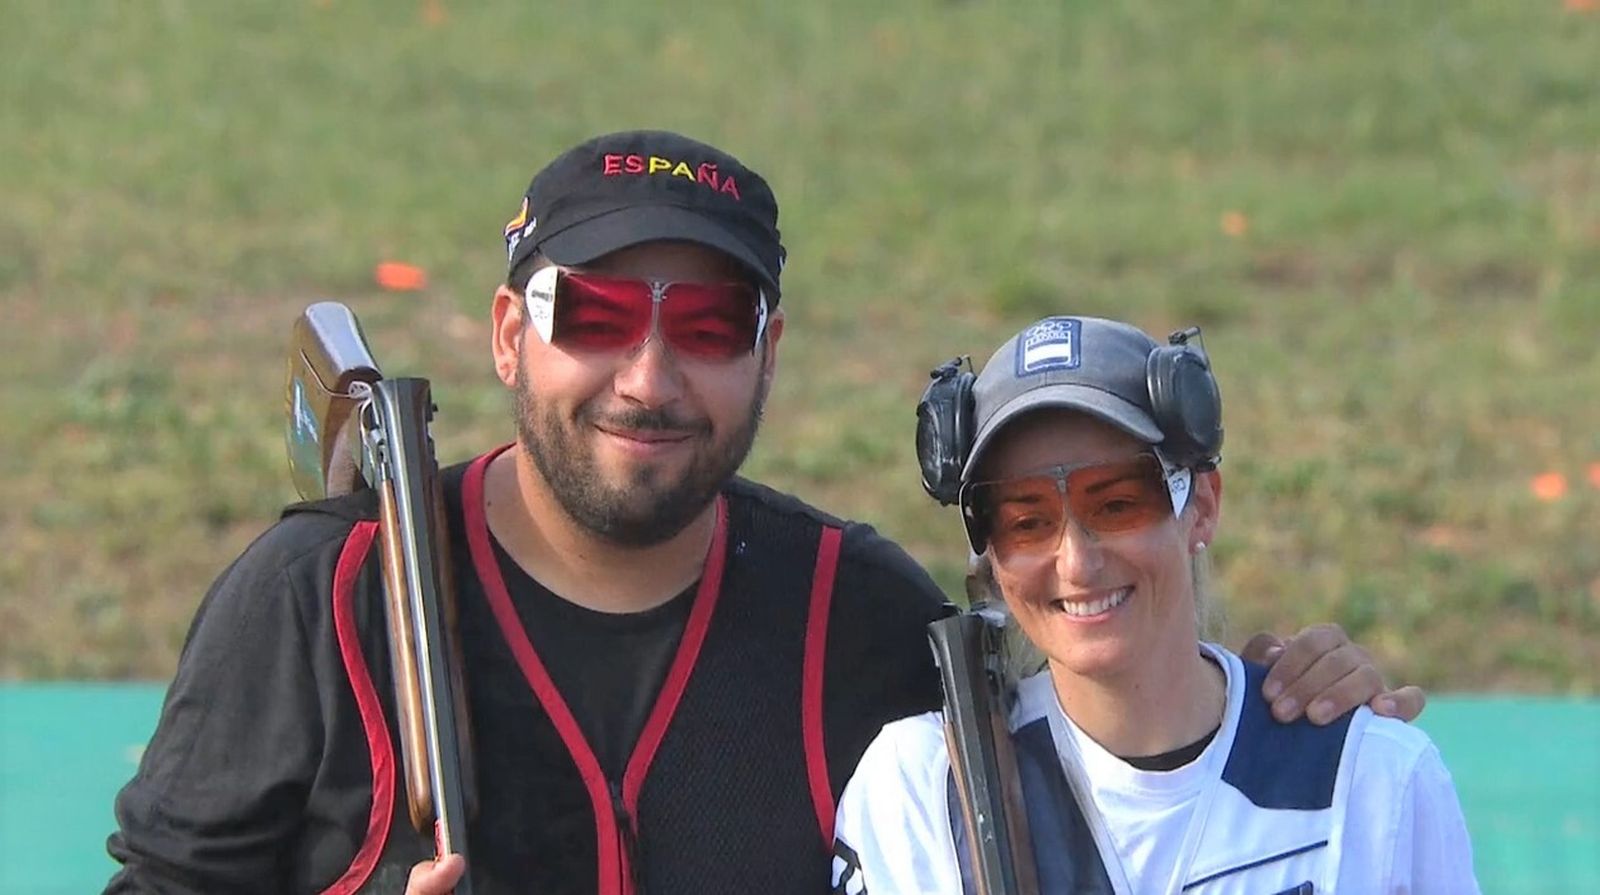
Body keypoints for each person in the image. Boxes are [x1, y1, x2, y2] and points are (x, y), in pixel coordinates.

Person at [104, 132, 1421, 895]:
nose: (650, 377)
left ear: (769, 350)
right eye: (599, 317)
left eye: (712, 325)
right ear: (510, 333)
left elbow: (1096, 674)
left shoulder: (863, 616)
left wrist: (1275, 678)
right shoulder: (317, 595)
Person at [831, 316, 1478, 893]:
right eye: (1027, 521)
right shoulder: (923, 789)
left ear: (1201, 505)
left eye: (1116, 505)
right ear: (991, 557)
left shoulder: (1371, 779)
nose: (1077, 561)